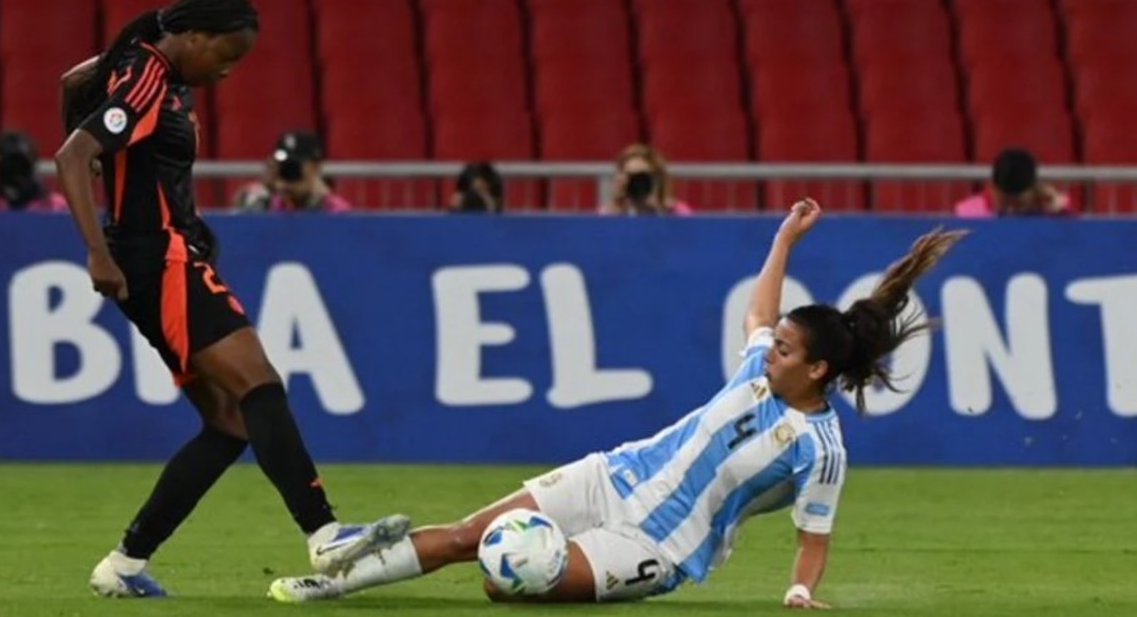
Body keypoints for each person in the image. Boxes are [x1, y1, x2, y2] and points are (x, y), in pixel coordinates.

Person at [270, 199, 966, 607]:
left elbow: (814, 538)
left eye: (785, 348)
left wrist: (799, 593)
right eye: (775, 340)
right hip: (612, 475)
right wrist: (783, 239)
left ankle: (516, 578)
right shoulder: (760, 368)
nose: (769, 345)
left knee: (510, 581)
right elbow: (759, 309)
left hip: (655, 547)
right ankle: (332, 583)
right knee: (468, 537)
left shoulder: (821, 449)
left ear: (816, 369)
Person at [53, 0, 408, 599]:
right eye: (225, 53)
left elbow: (72, 82)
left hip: (166, 251)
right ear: (193, 36)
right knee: (259, 384)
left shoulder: (148, 69)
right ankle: (326, 537)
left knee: (228, 422)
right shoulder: (147, 75)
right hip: (155, 257)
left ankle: (125, 565)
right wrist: (97, 248)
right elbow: (71, 153)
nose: (227, 68)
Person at [233, 131, 350, 213]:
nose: (288, 171)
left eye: (294, 166)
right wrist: (267, 185)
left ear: (315, 167)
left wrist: (319, 202)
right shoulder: (266, 202)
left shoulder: (334, 209)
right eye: (284, 166)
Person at [954, 147, 1073, 217]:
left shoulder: (1054, 208)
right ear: (992, 188)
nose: (1010, 211)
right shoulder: (967, 214)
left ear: (1034, 190)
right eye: (1004, 203)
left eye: (1019, 204)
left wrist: (1061, 214)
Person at [600, 144, 692, 216]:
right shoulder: (610, 213)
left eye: (643, 177)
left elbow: (689, 235)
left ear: (658, 179)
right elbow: (600, 235)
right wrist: (615, 207)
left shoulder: (676, 212)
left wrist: (659, 210)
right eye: (631, 176)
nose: (638, 182)